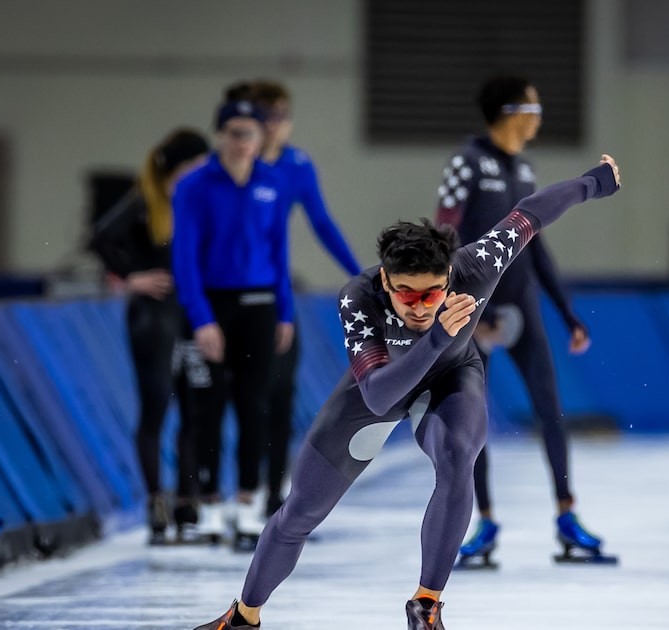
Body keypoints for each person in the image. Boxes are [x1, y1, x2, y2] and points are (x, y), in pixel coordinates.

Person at [192, 154, 621, 630]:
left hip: (452, 376)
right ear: (385, 282)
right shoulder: (359, 297)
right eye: (407, 295)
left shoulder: (475, 268)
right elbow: (376, 396)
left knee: (460, 456)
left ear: (449, 278)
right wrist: (437, 335)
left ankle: (427, 603)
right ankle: (244, 617)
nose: (420, 307)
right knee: (298, 513)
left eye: (432, 293)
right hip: (381, 384)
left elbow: (532, 213)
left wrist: (593, 183)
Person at [435, 75, 610, 569]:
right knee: (473, 419)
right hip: (475, 308)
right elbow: (443, 236)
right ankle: (483, 520)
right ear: (513, 112)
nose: (540, 114)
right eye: (534, 106)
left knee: (550, 408)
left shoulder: (525, 169)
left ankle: (567, 514)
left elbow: (537, 245)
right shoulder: (465, 164)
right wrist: (467, 309)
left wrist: (566, 310)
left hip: (524, 303)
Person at [172, 98, 295, 547]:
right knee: (206, 406)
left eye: (252, 133)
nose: (244, 142)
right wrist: (201, 318)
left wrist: (285, 310)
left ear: (262, 138)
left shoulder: (273, 183)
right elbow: (183, 258)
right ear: (220, 135)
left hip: (260, 304)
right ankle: (207, 504)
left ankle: (246, 503)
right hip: (212, 304)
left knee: (253, 407)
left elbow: (279, 252)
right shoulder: (194, 186)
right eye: (235, 133)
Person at [246, 79, 362, 518]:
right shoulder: (237, 165)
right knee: (239, 400)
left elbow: (322, 222)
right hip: (232, 295)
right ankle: (223, 491)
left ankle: (274, 490)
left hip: (276, 293)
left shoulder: (296, 165)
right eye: (267, 118)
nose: (277, 127)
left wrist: (360, 272)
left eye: (283, 117)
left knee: (280, 394)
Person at [89, 129, 212, 544]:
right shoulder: (146, 200)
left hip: (189, 313)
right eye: (196, 165)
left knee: (195, 407)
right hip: (153, 314)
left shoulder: (199, 201)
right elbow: (100, 237)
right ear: (178, 168)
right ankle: (157, 498)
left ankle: (186, 496)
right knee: (157, 405)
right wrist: (131, 277)